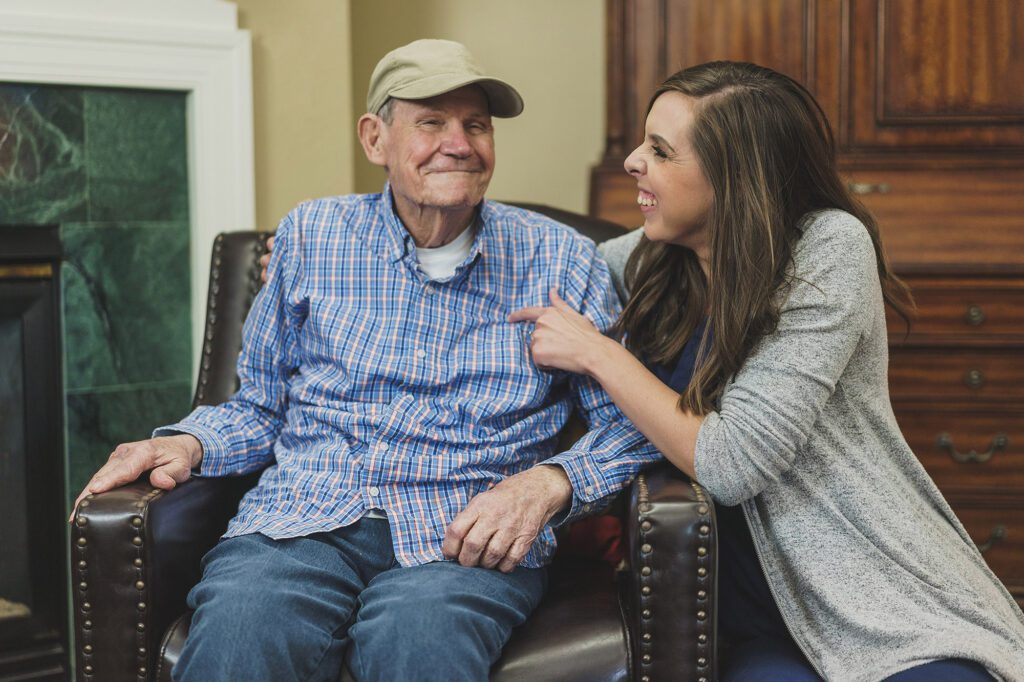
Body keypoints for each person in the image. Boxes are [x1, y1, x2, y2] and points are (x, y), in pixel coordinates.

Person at [71, 39, 658, 681]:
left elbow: (629, 425)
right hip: (303, 518)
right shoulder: (311, 237)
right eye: (431, 123)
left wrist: (548, 484)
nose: (459, 143)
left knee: (419, 642)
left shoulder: (562, 259)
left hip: (465, 535)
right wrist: (187, 443)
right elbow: (261, 405)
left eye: (476, 125)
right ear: (375, 138)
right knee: (239, 632)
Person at [508, 61, 1024, 681]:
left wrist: (599, 352)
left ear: (735, 176)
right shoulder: (651, 261)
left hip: (878, 600)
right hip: (755, 617)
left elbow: (732, 462)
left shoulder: (828, 249)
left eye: (661, 151)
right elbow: (549, 270)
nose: (632, 161)